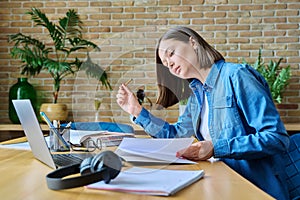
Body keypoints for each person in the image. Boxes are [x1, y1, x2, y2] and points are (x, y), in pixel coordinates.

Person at [116, 26, 290, 200]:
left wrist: (216, 147)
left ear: (193, 42)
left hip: (254, 189)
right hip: (222, 185)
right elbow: (177, 135)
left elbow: (276, 138)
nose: (169, 65)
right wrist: (136, 111)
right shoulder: (196, 97)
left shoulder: (237, 76)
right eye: (166, 64)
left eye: (171, 54)